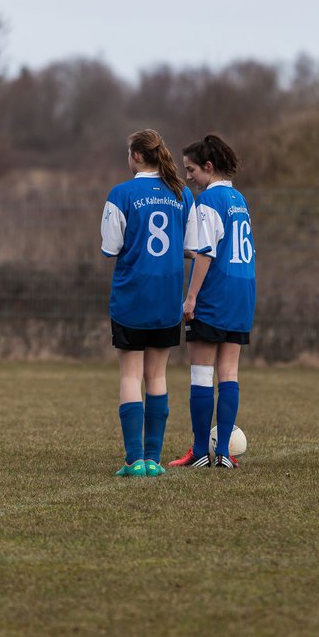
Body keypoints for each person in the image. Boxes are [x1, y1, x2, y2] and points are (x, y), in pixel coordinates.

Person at [101, 129, 197, 477]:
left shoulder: (121, 193)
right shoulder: (182, 193)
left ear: (138, 156)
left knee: (130, 375)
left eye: (129, 153)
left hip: (132, 296)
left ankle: (134, 460)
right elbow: (191, 247)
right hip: (168, 297)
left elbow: (111, 248)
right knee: (157, 375)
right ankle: (154, 460)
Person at [168, 134, 256, 470]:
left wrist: (190, 298)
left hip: (215, 294)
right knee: (229, 373)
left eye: (191, 169)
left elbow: (205, 254)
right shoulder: (238, 199)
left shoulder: (207, 202)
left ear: (208, 166)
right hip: (242, 292)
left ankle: (201, 450)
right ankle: (224, 456)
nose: (187, 175)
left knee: (202, 374)